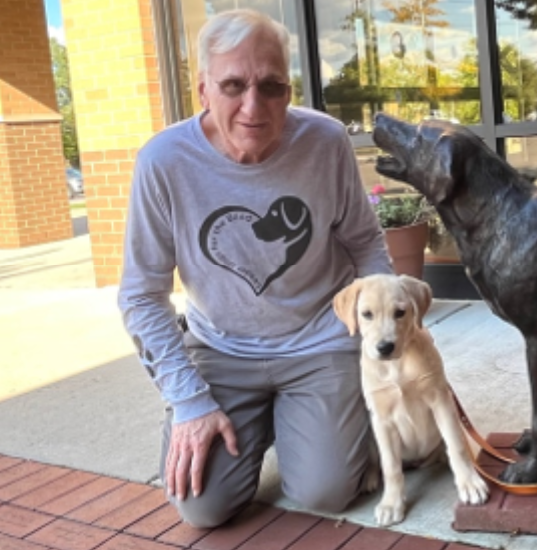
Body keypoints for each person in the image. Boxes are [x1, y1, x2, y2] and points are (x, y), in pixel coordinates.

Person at [117, 9, 392, 528]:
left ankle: (293, 419)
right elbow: (141, 295)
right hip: (221, 348)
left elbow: (364, 244)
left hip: (319, 341)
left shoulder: (326, 142)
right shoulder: (164, 162)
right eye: (233, 85)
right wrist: (189, 400)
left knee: (326, 492)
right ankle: (257, 420)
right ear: (202, 90)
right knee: (203, 508)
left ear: (289, 89)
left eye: (271, 86)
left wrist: (380, 333)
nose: (253, 106)